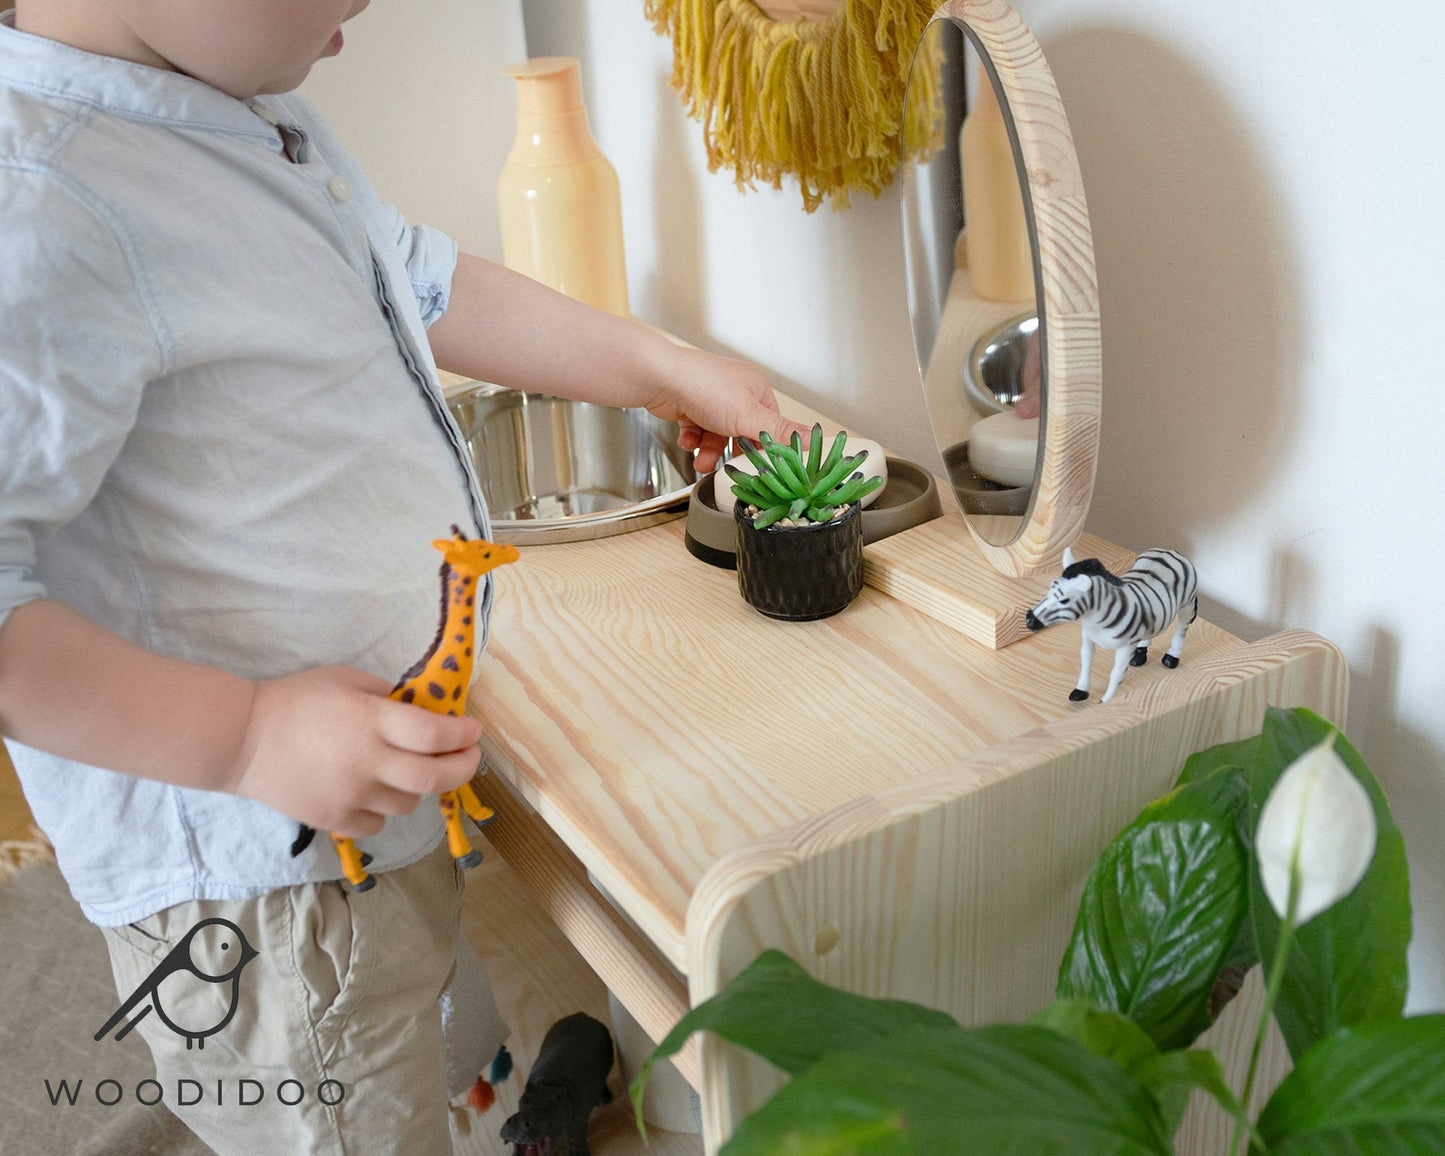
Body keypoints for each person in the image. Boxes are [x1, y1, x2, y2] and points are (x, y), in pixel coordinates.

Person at [0, 1, 806, 1151]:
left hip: (359, 836)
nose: (357, 14)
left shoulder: (240, 115)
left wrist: (658, 366)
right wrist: (245, 736)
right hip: (268, 894)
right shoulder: (39, 200)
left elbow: (420, 281)